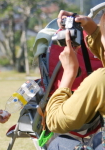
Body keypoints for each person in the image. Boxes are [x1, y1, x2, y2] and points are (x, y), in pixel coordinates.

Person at [45, 10, 105, 150]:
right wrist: (90, 26)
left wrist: (69, 73)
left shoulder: (100, 79)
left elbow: (55, 122)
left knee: (58, 144)